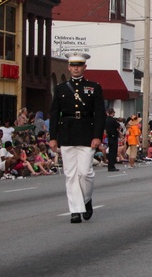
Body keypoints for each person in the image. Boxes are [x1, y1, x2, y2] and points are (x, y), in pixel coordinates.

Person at [49, 52, 106, 224]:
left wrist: (97, 136)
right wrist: (53, 137)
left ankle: (86, 199)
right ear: (68, 67)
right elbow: (54, 114)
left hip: (87, 133)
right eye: (73, 65)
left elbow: (99, 115)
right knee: (71, 174)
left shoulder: (94, 87)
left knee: (85, 172)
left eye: (79, 65)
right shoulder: (60, 89)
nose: (75, 68)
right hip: (66, 132)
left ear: (84, 67)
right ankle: (75, 210)